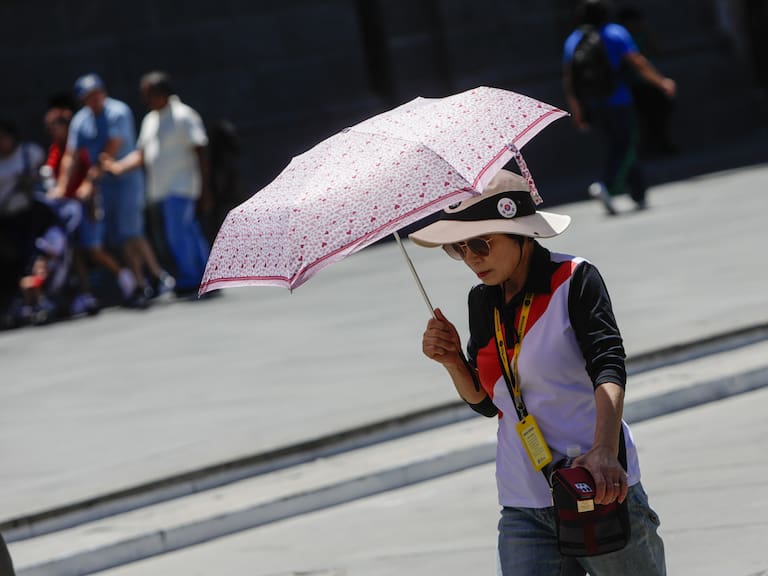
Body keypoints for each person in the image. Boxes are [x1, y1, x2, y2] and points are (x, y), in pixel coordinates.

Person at [410, 169, 666, 575]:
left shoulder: (575, 279)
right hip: (523, 502)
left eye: (480, 243)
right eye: (459, 248)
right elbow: (488, 403)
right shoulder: (482, 301)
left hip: (596, 486)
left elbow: (608, 365)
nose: (471, 258)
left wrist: (603, 450)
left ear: (519, 233)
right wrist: (453, 362)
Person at [53, 73, 174, 306]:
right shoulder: (81, 121)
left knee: (132, 233)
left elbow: (111, 147)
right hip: (105, 187)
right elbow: (71, 155)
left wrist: (89, 181)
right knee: (120, 237)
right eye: (89, 97)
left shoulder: (118, 111)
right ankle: (140, 283)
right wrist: (61, 186)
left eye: (97, 94)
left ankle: (159, 276)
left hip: (126, 181)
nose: (94, 100)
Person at [562, 0, 676, 215]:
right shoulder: (615, 33)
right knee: (625, 145)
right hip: (618, 99)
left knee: (621, 144)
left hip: (594, 103)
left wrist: (576, 110)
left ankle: (638, 192)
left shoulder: (573, 40)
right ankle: (607, 185)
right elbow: (637, 62)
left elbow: (569, 79)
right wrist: (661, 82)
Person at [101, 71, 210, 296]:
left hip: (182, 186)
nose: (145, 99)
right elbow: (142, 154)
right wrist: (118, 167)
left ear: (161, 93)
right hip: (163, 188)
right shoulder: (150, 120)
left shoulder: (183, 115)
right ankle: (208, 275)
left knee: (177, 233)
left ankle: (192, 278)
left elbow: (200, 150)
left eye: (148, 94)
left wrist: (205, 188)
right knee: (189, 232)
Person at [617, 4, 678, 157]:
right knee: (641, 119)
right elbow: (638, 63)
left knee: (660, 113)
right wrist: (662, 82)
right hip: (634, 85)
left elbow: (659, 50)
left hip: (649, 84)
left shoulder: (639, 35)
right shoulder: (621, 38)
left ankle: (661, 143)